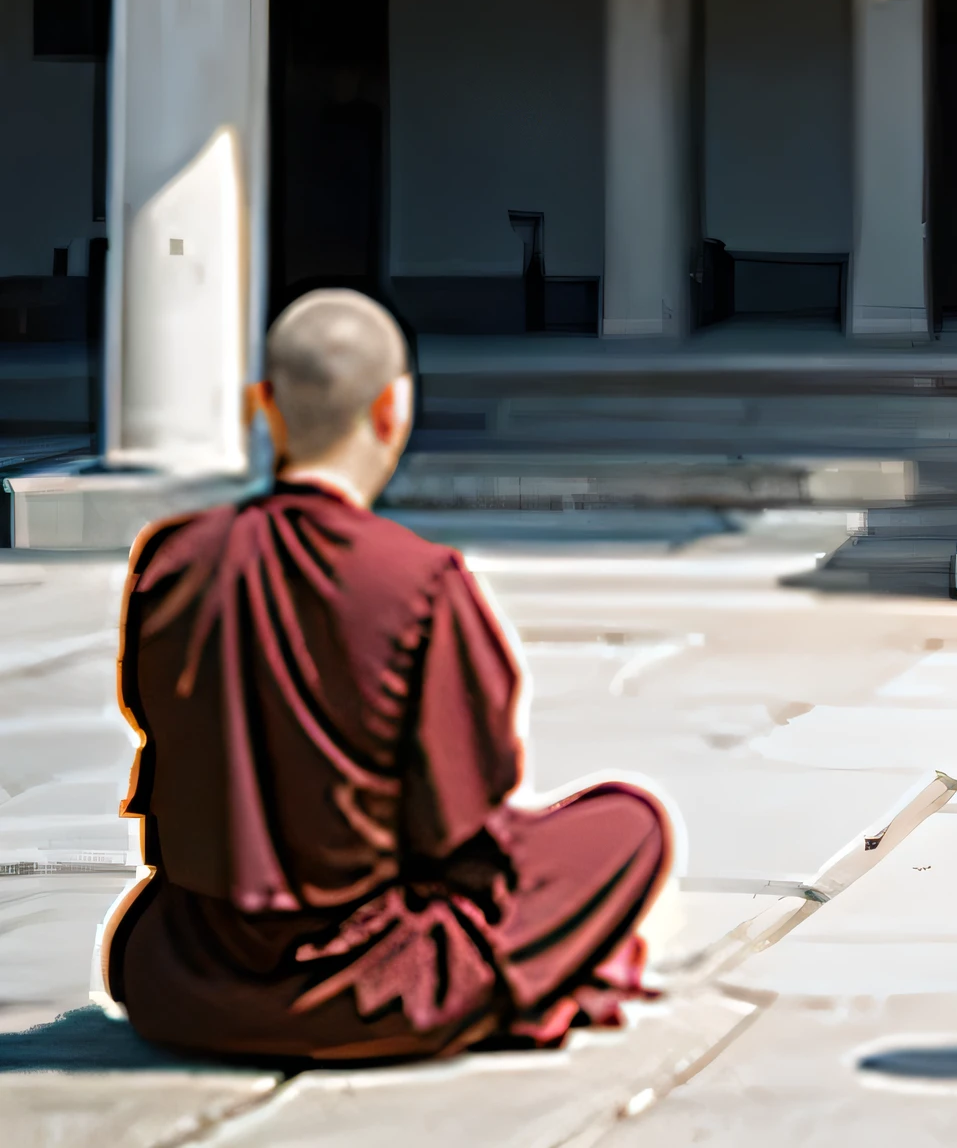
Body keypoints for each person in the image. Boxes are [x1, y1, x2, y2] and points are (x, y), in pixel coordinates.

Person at [104, 290, 674, 1064]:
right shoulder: (416, 581)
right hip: (380, 984)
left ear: (264, 406)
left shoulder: (170, 560)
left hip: (189, 980)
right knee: (628, 824)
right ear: (392, 411)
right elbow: (462, 814)